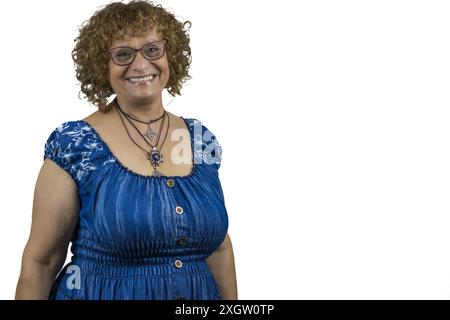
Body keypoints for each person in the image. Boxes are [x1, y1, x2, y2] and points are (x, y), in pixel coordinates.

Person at [15, 0, 237, 300]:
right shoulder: (76, 145)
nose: (141, 64)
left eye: (152, 49)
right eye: (123, 54)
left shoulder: (198, 139)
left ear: (169, 54)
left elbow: (219, 247)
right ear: (101, 65)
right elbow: (41, 262)